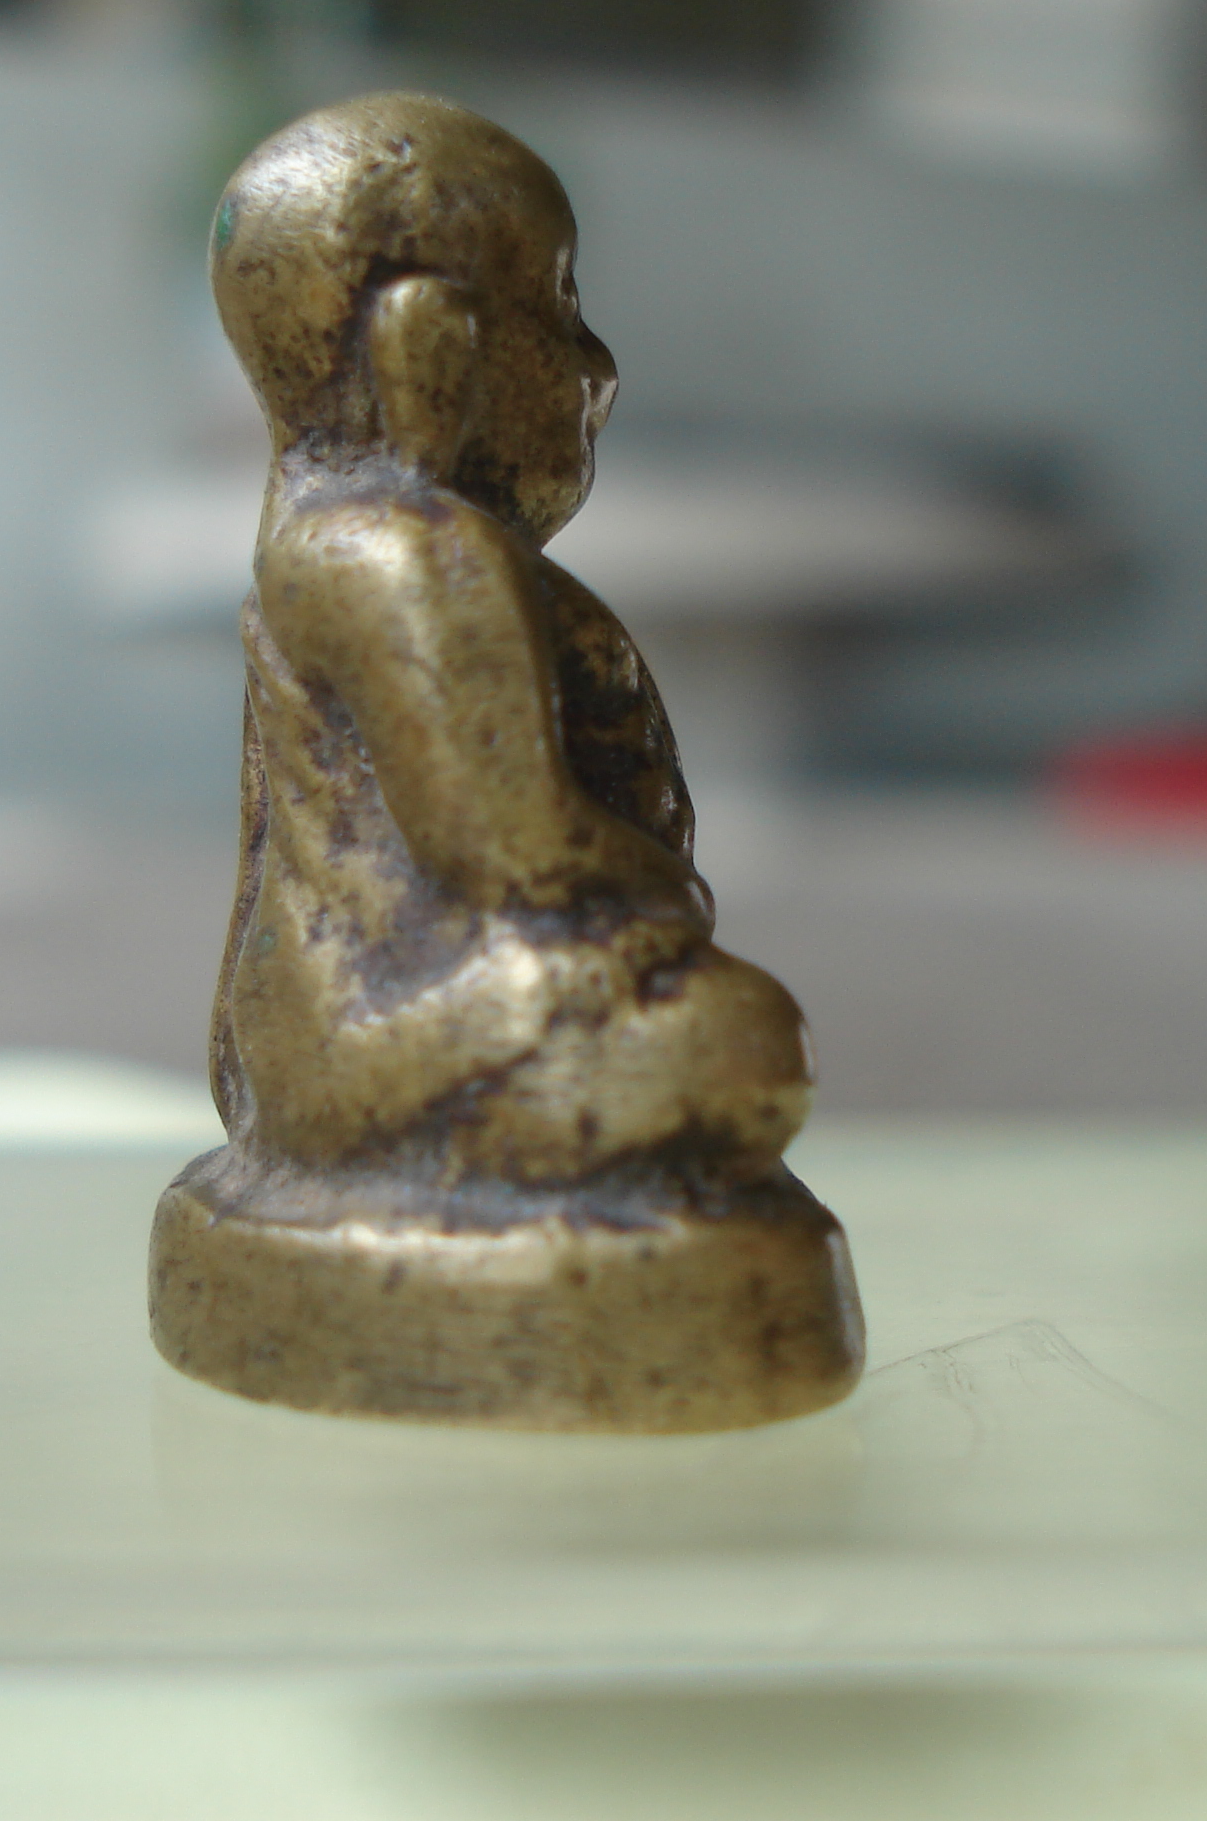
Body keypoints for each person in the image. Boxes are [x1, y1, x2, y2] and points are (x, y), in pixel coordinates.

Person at [204, 91, 813, 1199]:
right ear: (429, 350)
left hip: (360, 1021)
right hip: (388, 1023)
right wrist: (665, 899)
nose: (600, 365)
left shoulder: (337, 548)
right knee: (738, 1036)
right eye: (560, 305)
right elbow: (510, 853)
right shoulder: (402, 555)